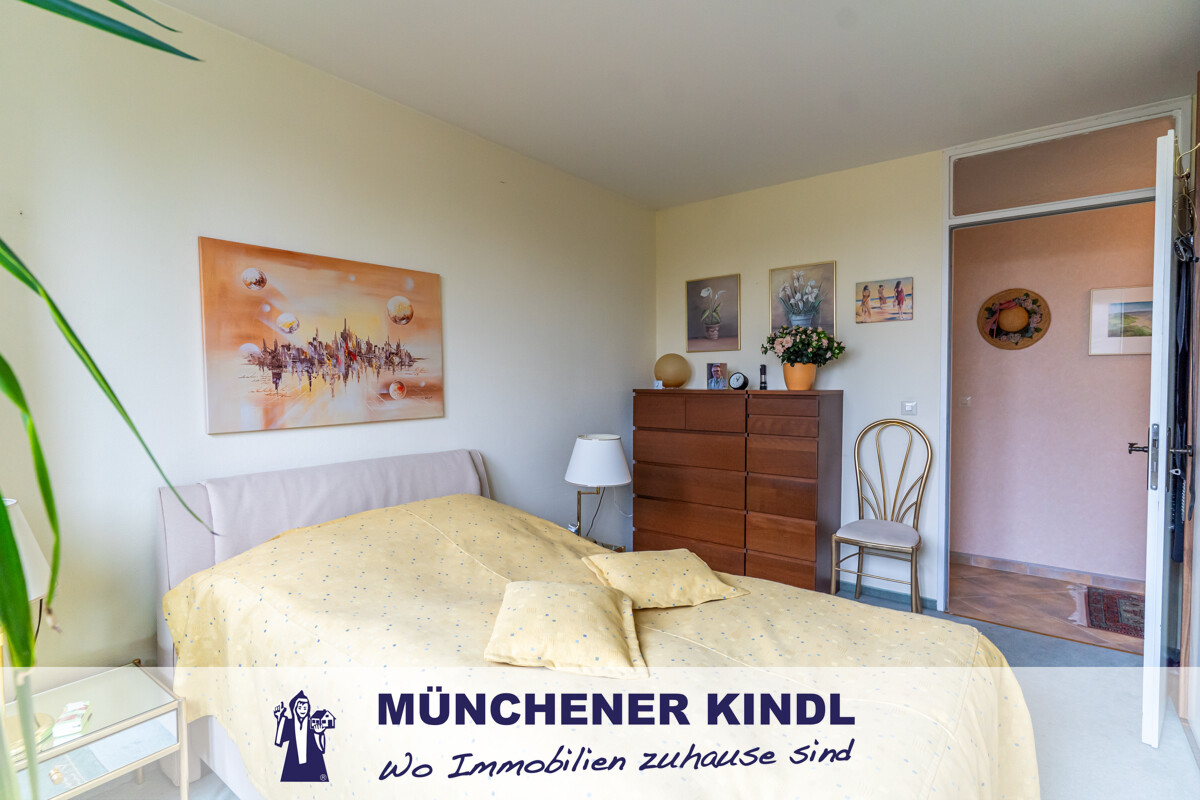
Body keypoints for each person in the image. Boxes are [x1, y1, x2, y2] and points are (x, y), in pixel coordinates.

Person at [275, 691, 328, 782]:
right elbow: (280, 740)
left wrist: (319, 733)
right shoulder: (290, 723)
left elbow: (321, 749)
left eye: (305, 708)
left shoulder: (312, 722)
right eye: (299, 707)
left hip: (313, 763)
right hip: (293, 762)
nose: (302, 710)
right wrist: (279, 717)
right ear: (294, 709)